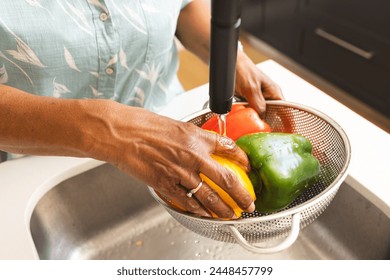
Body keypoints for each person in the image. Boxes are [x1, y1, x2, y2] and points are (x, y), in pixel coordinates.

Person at [0, 0, 283, 219]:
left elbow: (183, 6)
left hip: (175, 139)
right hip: (26, 175)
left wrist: (229, 57)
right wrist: (114, 131)